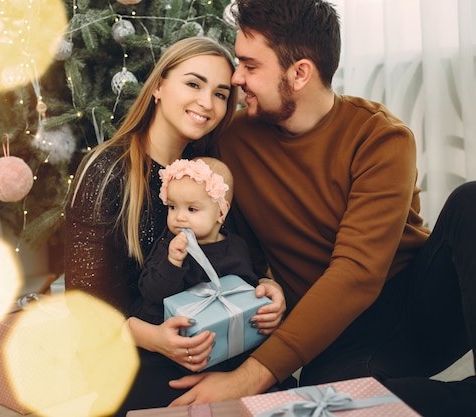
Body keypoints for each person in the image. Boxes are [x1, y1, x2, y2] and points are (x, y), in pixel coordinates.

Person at [168, 1, 476, 416]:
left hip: (416, 303)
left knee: (470, 201)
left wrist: (252, 375)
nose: (236, 77)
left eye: (250, 66)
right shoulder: (232, 142)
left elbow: (357, 274)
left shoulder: (380, 138)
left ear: (300, 73)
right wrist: (265, 286)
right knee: (325, 408)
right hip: (337, 337)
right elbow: (233, 242)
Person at [63, 36, 286, 415]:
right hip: (132, 351)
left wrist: (268, 289)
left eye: (219, 94)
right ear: (159, 87)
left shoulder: (209, 170)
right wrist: (155, 339)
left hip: (208, 342)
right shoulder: (107, 171)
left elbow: (241, 256)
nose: (206, 103)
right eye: (193, 83)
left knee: (277, 392)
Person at [131, 157, 262, 327]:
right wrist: (173, 262)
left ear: (221, 213)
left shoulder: (236, 247)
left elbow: (245, 287)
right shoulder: (169, 247)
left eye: (192, 209)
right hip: (169, 326)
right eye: (172, 207)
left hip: (218, 324)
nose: (179, 217)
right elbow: (152, 295)